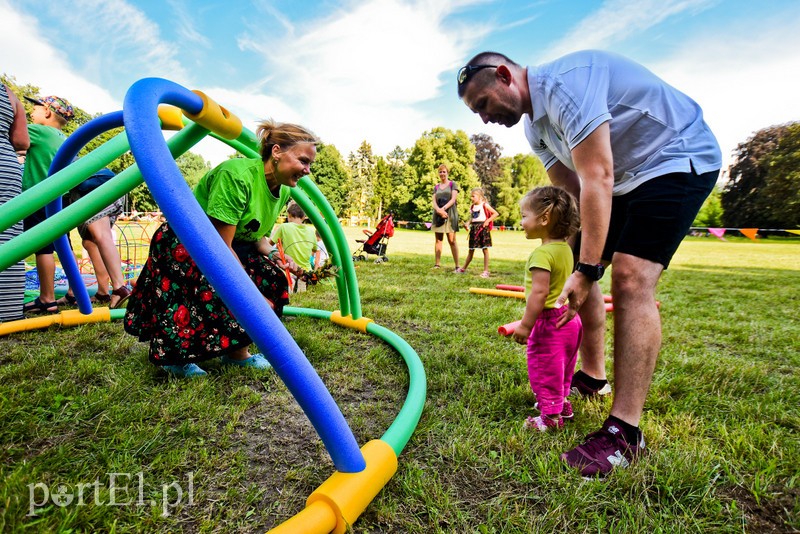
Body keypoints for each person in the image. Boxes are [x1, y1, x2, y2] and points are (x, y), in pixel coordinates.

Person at [458, 50, 721, 476]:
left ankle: (625, 432)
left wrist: (589, 268)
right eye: (477, 113)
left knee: (630, 276)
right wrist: (574, 261)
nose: (484, 120)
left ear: (505, 75)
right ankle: (593, 377)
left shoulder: (566, 85)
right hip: (621, 177)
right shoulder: (534, 128)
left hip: (674, 157)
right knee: (584, 265)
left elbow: (596, 174)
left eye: (483, 104)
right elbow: (570, 193)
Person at [124, 119, 315, 378]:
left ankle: (236, 354)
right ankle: (175, 359)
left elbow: (255, 234)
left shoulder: (282, 191)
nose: (307, 170)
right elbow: (220, 249)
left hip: (226, 246)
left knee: (270, 279)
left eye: (310, 164)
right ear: (277, 151)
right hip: (185, 245)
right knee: (197, 293)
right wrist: (253, 299)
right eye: (303, 161)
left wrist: (275, 254)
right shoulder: (237, 176)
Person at [513, 186, 582, 431]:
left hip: (550, 322)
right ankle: (561, 403)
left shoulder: (541, 253)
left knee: (544, 367)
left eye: (524, 216)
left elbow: (539, 293)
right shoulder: (565, 249)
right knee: (563, 366)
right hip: (570, 321)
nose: (521, 222)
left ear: (544, 219)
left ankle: (549, 418)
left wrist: (525, 325)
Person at [20, 95, 73, 315]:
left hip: (39, 196)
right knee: (64, 247)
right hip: (62, 198)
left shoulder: (38, 131)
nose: (32, 112)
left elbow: (14, 138)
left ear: (48, 112)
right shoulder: (65, 138)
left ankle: (47, 298)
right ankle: (74, 292)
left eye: (36, 108)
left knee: (43, 248)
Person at [56, 167, 131, 308]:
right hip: (94, 184)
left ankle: (119, 288)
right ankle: (103, 292)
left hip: (92, 185)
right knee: (89, 241)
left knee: (101, 234)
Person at [0, 84, 30, 322]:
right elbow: (21, 141)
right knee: (9, 238)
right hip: (6, 167)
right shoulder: (7, 92)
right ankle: (7, 311)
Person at [269, 200, 318, 292]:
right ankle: (302, 280)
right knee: (301, 293)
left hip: (288, 269)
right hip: (306, 270)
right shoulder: (311, 231)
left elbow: (269, 245)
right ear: (304, 217)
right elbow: (314, 250)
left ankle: (291, 281)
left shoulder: (284, 227)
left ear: (289, 215)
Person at [461, 187, 498, 278]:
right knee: (471, 250)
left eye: (473, 196)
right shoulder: (473, 207)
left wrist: (487, 221)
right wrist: (467, 224)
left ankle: (486, 271)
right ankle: (463, 268)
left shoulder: (484, 205)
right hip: (474, 229)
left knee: (485, 250)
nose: (471, 198)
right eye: (471, 196)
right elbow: (472, 218)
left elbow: (495, 213)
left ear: (480, 197)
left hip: (482, 229)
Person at [431, 164, 462, 272]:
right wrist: (439, 211)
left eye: (444, 171)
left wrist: (443, 209)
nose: (442, 174)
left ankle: (457, 266)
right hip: (438, 215)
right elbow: (434, 201)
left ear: (447, 172)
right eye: (440, 172)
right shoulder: (436, 187)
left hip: (450, 214)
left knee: (452, 240)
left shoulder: (453, 184)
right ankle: (437, 264)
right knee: (438, 240)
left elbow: (453, 199)